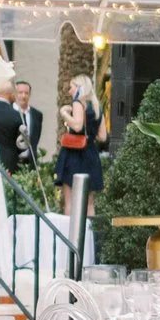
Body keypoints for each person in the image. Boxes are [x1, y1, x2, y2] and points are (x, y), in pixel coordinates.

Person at [53, 73, 107, 222]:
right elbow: (102, 136)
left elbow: (77, 125)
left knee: (70, 201)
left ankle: (70, 241)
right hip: (90, 154)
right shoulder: (96, 106)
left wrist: (64, 114)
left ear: (78, 87)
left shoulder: (78, 102)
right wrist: (89, 133)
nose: (69, 91)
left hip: (74, 155)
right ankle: (89, 238)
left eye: (71, 87)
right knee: (89, 203)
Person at [0, 78, 42, 175]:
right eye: (19, 92)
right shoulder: (16, 115)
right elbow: (22, 143)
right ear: (12, 93)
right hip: (11, 161)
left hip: (26, 162)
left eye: (26, 93)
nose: (23, 96)